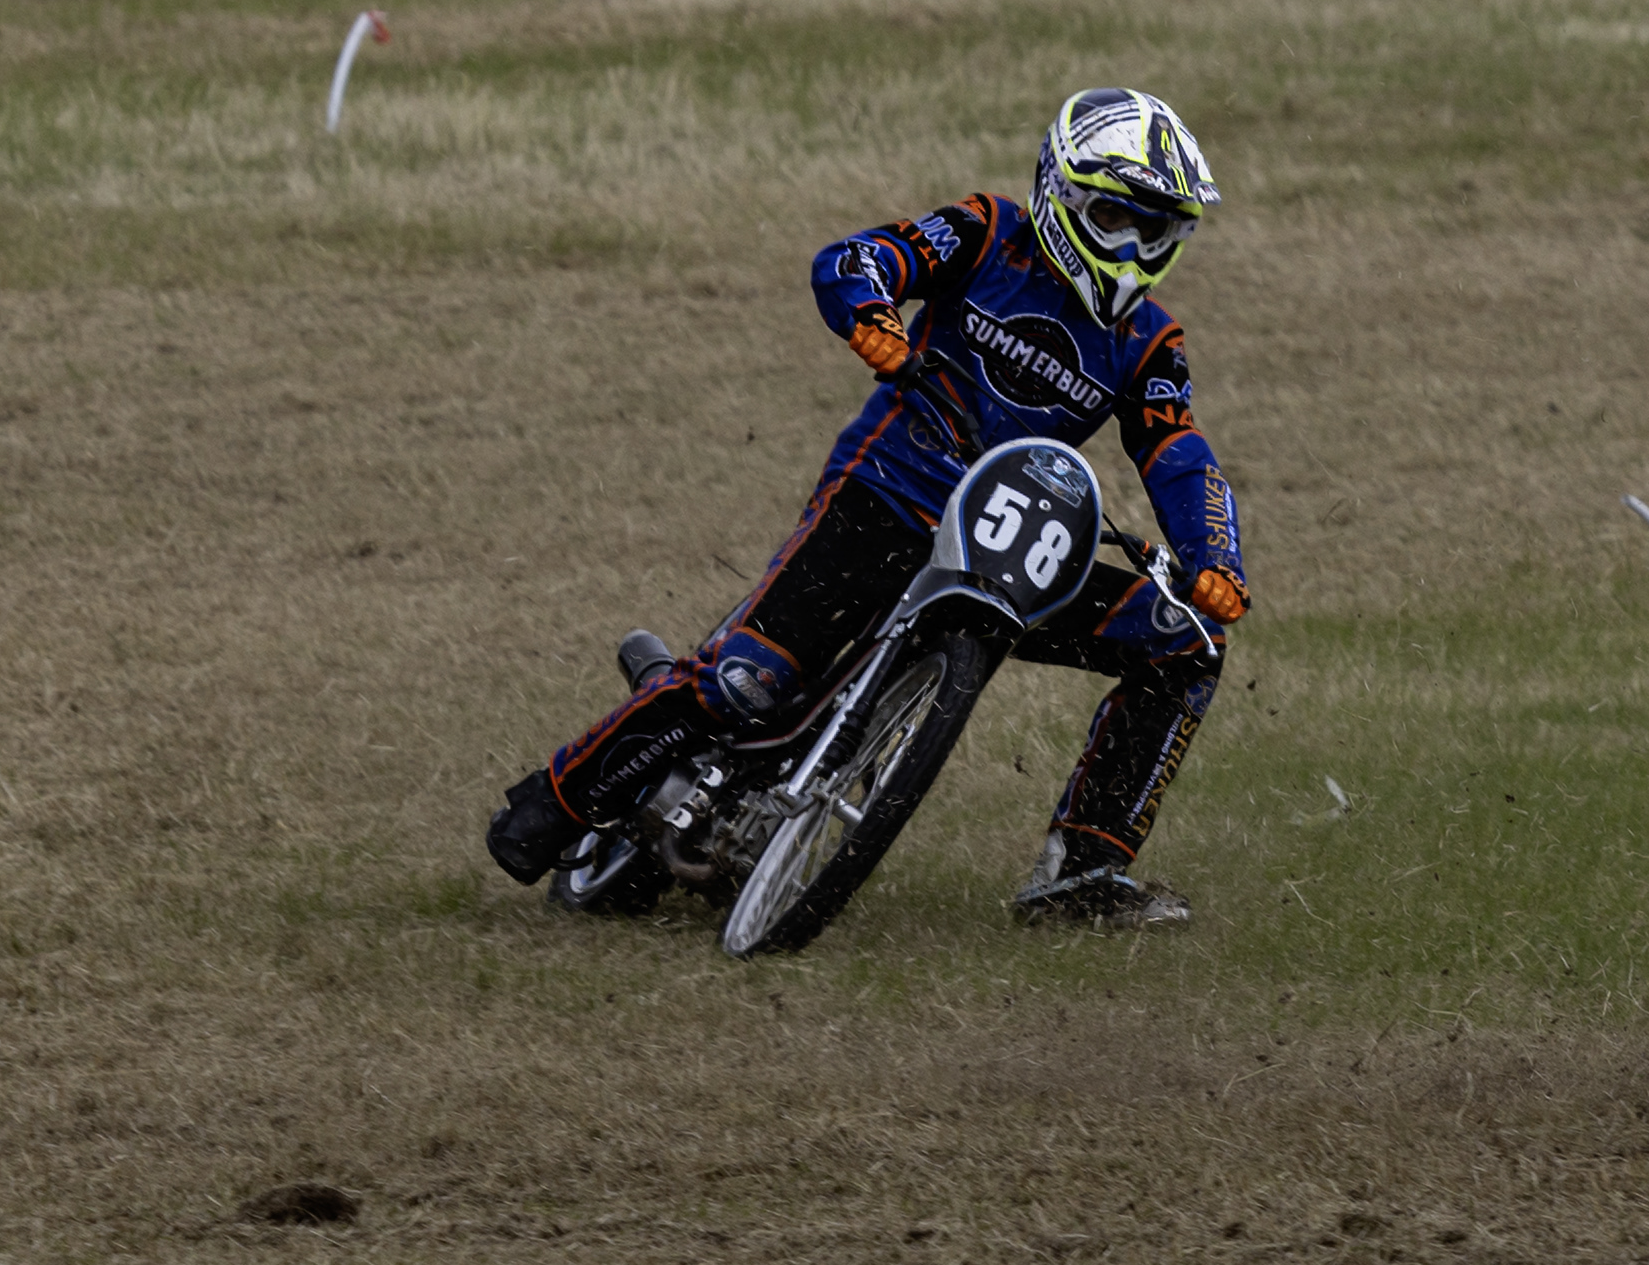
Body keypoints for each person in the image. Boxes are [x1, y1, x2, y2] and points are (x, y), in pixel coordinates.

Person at [484, 91, 1249, 929]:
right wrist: (873, 316)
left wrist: (1213, 555)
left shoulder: (1151, 341)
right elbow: (858, 258)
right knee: (743, 685)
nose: (1133, 248)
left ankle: (1083, 875)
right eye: (1114, 217)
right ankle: (557, 800)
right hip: (886, 496)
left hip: (1012, 556)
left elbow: (1179, 450)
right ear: (1059, 192)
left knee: (1188, 641)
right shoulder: (987, 230)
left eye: (1156, 230)